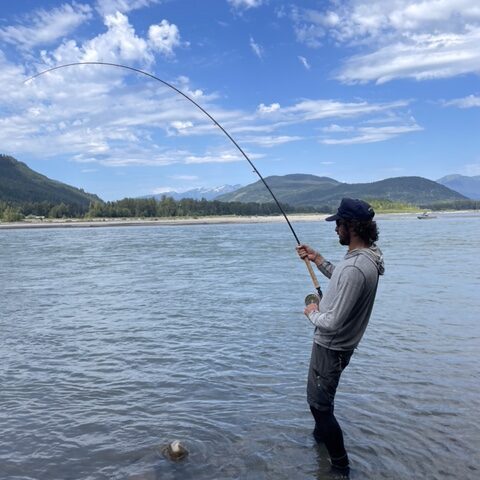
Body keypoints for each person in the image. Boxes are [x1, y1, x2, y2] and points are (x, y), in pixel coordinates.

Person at [296, 197, 385, 475]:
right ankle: (320, 441)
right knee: (322, 404)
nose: (336, 229)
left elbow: (331, 322)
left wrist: (312, 311)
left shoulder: (355, 267)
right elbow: (341, 280)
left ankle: (339, 466)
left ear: (352, 227)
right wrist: (318, 259)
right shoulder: (368, 257)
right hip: (342, 347)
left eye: (339, 224)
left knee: (319, 407)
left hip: (331, 347)